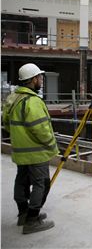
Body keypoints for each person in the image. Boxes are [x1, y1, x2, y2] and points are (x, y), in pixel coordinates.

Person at [2, 63, 58, 234]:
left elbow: (6, 124)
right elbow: (41, 129)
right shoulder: (32, 101)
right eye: (40, 78)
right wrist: (51, 144)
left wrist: (21, 140)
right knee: (41, 184)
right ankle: (32, 220)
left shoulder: (13, 98)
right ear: (33, 80)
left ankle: (23, 214)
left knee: (22, 181)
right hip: (36, 153)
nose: (41, 80)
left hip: (20, 152)